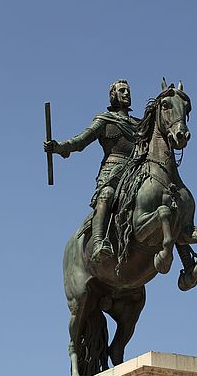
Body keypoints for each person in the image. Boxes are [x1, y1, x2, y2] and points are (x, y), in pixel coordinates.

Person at [44, 80, 140, 262]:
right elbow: (81, 141)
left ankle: (184, 255)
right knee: (107, 194)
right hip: (113, 170)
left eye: (128, 90)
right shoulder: (104, 120)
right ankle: (98, 242)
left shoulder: (140, 124)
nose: (127, 93)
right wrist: (59, 147)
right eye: (122, 90)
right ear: (113, 95)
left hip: (136, 169)